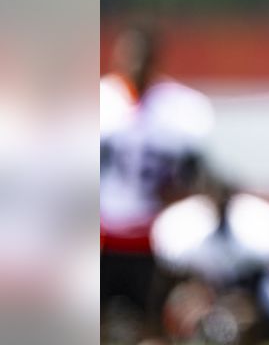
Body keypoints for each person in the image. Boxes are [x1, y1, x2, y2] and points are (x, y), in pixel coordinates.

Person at [100, 27, 214, 341]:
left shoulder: (181, 108)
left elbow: (196, 176)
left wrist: (180, 198)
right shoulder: (100, 101)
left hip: (155, 236)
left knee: (156, 325)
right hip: (102, 234)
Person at [149, 174, 269, 345]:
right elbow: (172, 275)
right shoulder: (182, 221)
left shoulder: (260, 219)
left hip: (252, 289)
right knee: (179, 302)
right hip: (201, 289)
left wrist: (245, 303)